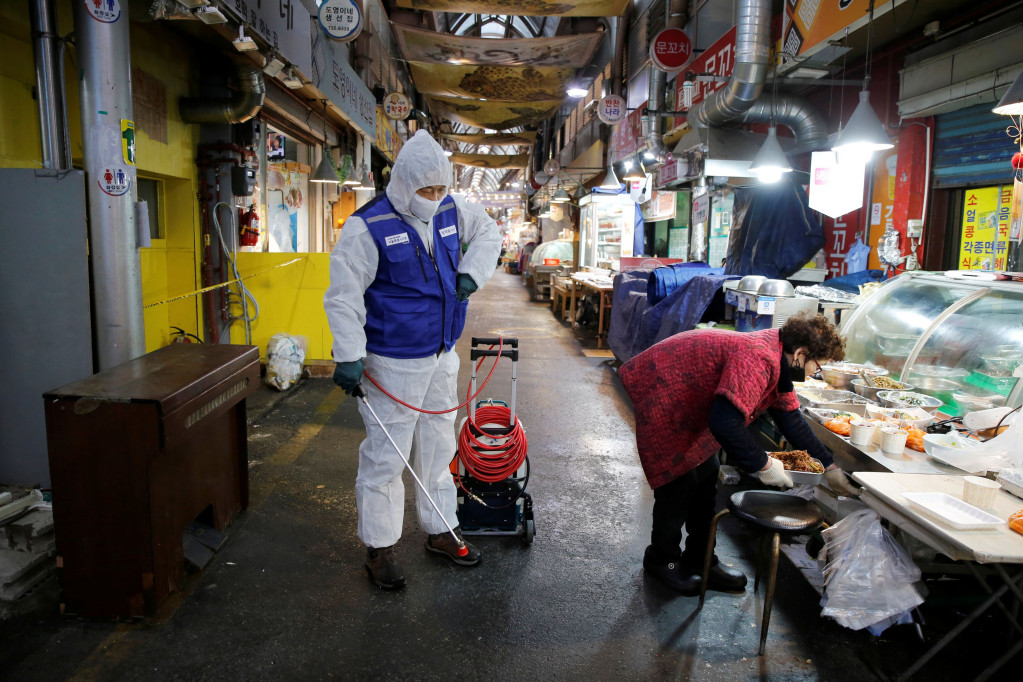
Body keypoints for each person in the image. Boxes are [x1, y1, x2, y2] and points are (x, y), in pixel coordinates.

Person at [323, 130, 502, 590]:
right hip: (393, 362)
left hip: (441, 353)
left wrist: (471, 274)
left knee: (440, 446)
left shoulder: (450, 209)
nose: (435, 198)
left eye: (441, 189)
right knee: (387, 455)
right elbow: (344, 298)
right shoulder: (367, 227)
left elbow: (488, 230)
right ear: (403, 183)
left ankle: (440, 529)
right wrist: (348, 355)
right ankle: (378, 549)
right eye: (427, 190)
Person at [618, 313, 858, 596]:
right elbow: (725, 422)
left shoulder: (780, 358)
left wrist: (829, 467)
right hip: (667, 389)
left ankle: (700, 559)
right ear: (801, 354)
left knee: (706, 481)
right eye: (818, 367)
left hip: (692, 396)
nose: (814, 374)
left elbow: (791, 419)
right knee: (679, 486)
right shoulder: (760, 358)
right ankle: (662, 561)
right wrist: (763, 464)